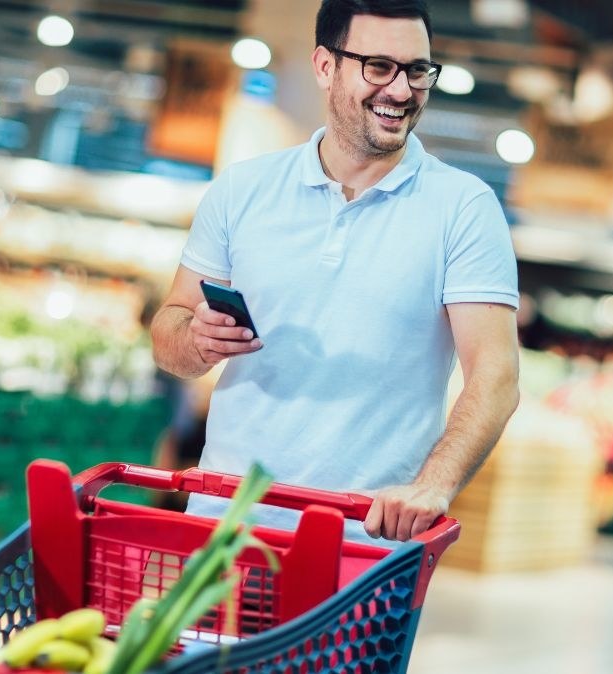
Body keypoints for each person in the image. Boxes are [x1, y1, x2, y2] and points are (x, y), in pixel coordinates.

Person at [150, 0, 520, 543]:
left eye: (418, 70)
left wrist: (433, 487)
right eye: (379, 67)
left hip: (362, 544)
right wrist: (195, 339)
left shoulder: (463, 207)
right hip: (225, 528)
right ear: (325, 67)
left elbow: (497, 375)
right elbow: (170, 334)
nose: (401, 90)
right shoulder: (243, 189)